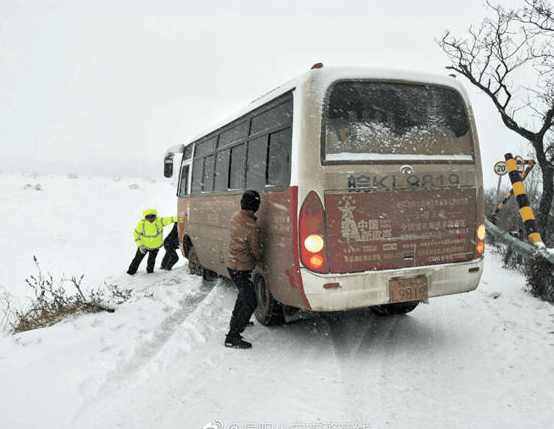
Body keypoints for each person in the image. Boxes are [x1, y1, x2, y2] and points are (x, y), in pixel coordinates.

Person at [225, 190, 263, 349]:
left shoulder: (236, 217)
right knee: (250, 301)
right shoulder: (251, 226)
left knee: (243, 295)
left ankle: (239, 320)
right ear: (255, 206)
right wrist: (261, 257)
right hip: (240, 267)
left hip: (232, 265)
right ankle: (232, 336)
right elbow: (255, 251)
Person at [127, 209, 177, 275]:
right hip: (144, 246)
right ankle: (131, 272)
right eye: (148, 217)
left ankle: (150, 272)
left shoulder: (159, 221)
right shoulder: (142, 224)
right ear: (145, 217)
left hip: (155, 247)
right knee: (137, 259)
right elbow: (136, 235)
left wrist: (180, 218)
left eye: (152, 216)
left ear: (155, 216)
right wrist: (140, 246)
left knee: (151, 261)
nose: (150, 219)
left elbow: (170, 219)